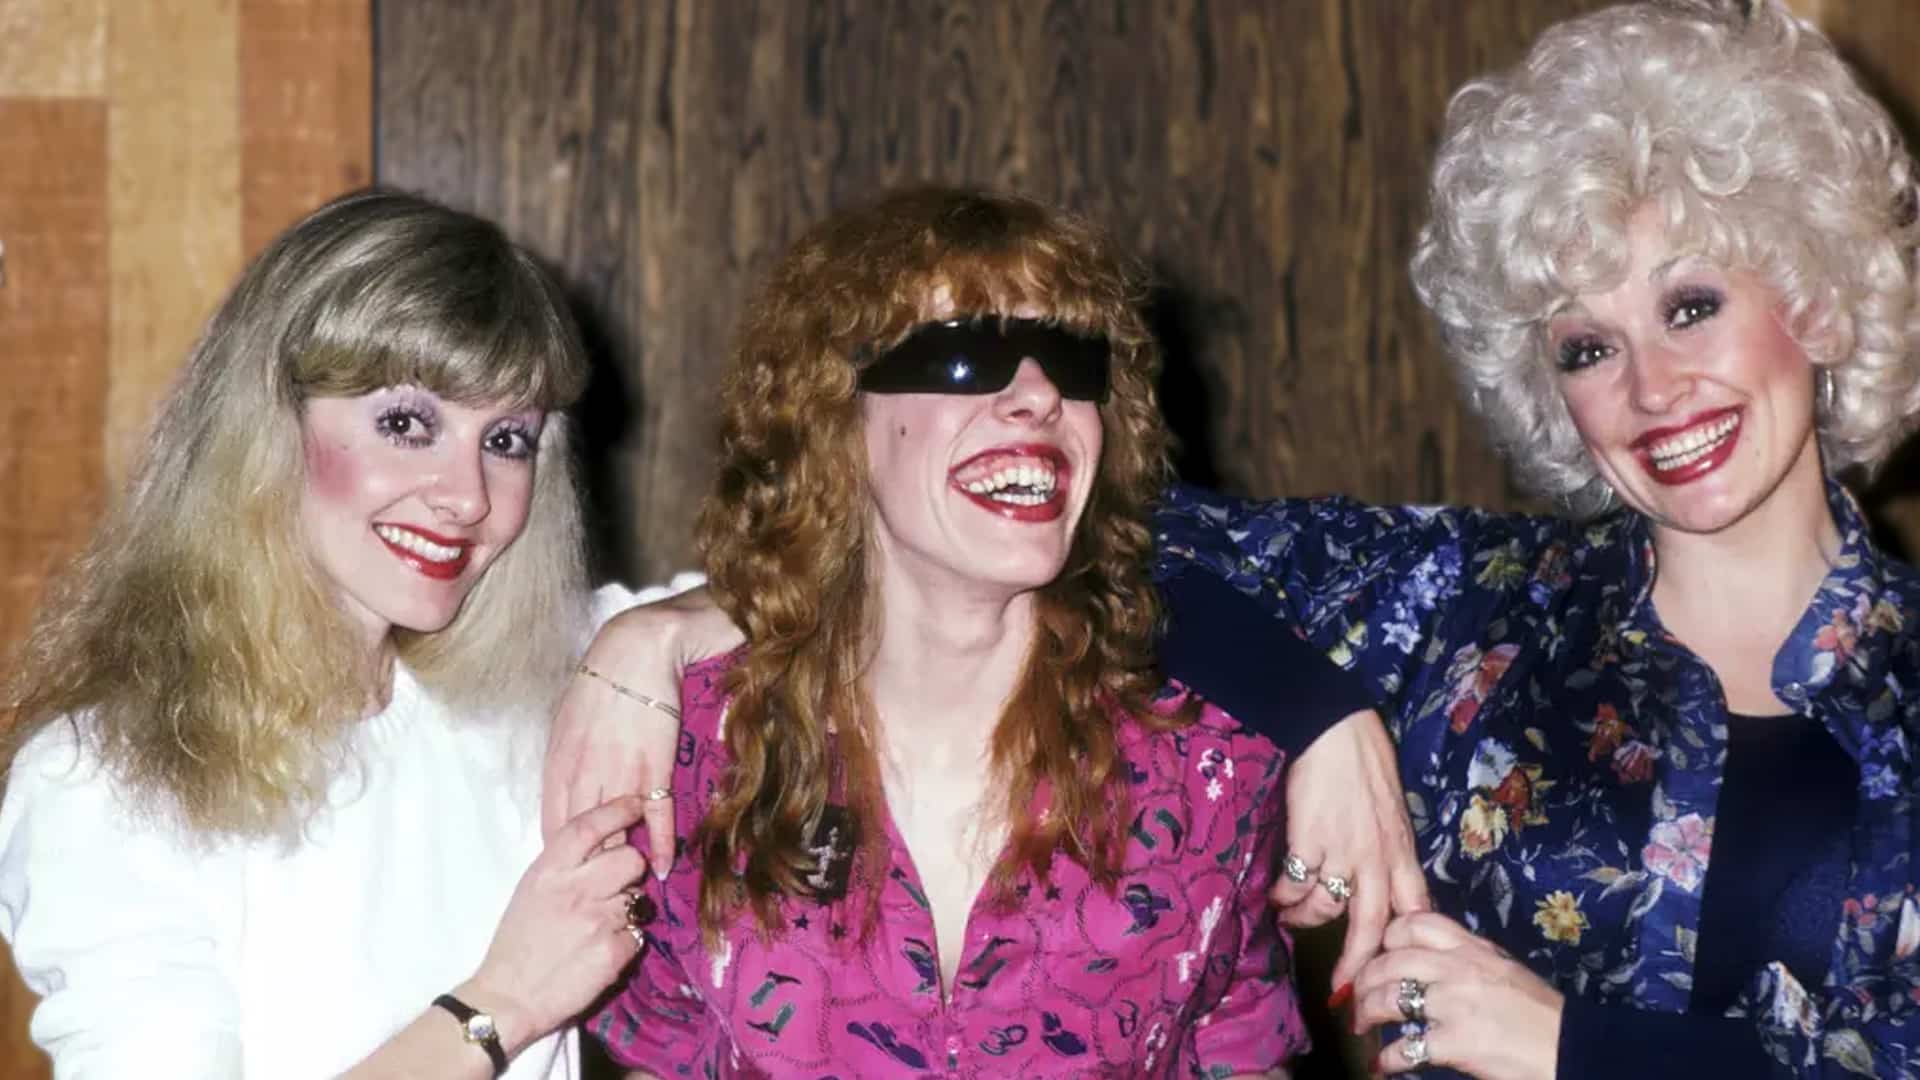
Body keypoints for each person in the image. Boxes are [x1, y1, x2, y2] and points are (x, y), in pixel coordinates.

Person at [551, 1, 1920, 1076]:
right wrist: (664, 629)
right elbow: (1056, 519)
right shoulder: (1474, 619)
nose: (1652, 388)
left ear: (1818, 294)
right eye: (1587, 344)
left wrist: (1564, 1047)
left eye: (1692, 306)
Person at [585, 185, 1310, 1077]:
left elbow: (1243, 1055)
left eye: (1072, 363)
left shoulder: (1210, 760)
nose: (1038, 396)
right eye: (970, 356)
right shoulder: (695, 748)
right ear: (837, 421)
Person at [0, 189, 655, 1078]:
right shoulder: (104, 782)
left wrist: (652, 644)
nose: (467, 496)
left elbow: (793, 606)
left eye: (506, 438)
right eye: (406, 424)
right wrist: (497, 1006)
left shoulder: (508, 692)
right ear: (271, 426)